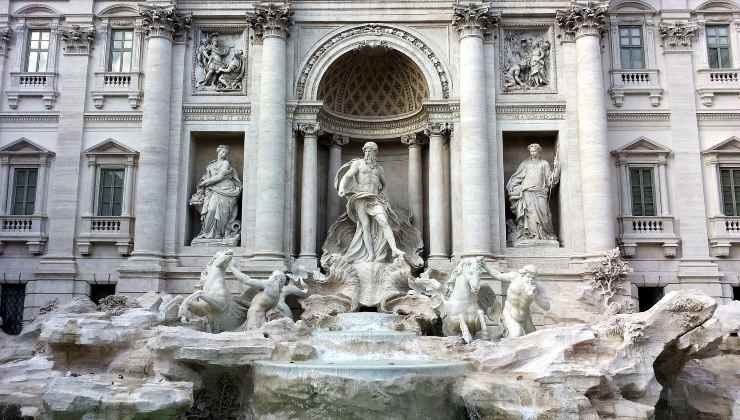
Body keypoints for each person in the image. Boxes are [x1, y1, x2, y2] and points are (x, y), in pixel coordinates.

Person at [335, 142, 405, 262]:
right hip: (360, 198)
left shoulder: (379, 169)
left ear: (375, 152)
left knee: (383, 221)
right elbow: (347, 176)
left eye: (370, 150)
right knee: (365, 226)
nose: (367, 153)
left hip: (374, 199)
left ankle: (394, 249)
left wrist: (384, 198)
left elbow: (384, 184)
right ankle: (371, 254)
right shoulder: (358, 164)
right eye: (366, 150)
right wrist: (342, 187)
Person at [506, 143, 560, 242]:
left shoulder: (544, 164)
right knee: (530, 214)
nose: (532, 153)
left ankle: (545, 234)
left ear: (539, 151)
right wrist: (515, 187)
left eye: (534, 151)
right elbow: (516, 178)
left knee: (544, 214)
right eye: (531, 151)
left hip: (540, 192)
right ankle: (532, 235)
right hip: (527, 192)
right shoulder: (525, 164)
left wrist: (556, 169)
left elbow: (550, 181)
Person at [191, 145, 242, 240]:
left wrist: (205, 183)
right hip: (213, 190)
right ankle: (207, 233)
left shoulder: (226, 163)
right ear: (218, 152)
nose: (224, 154)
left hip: (225, 189)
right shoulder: (211, 165)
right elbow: (206, 176)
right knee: (211, 210)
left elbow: (220, 177)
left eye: (226, 153)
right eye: (222, 152)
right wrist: (203, 185)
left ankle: (219, 234)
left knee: (222, 213)